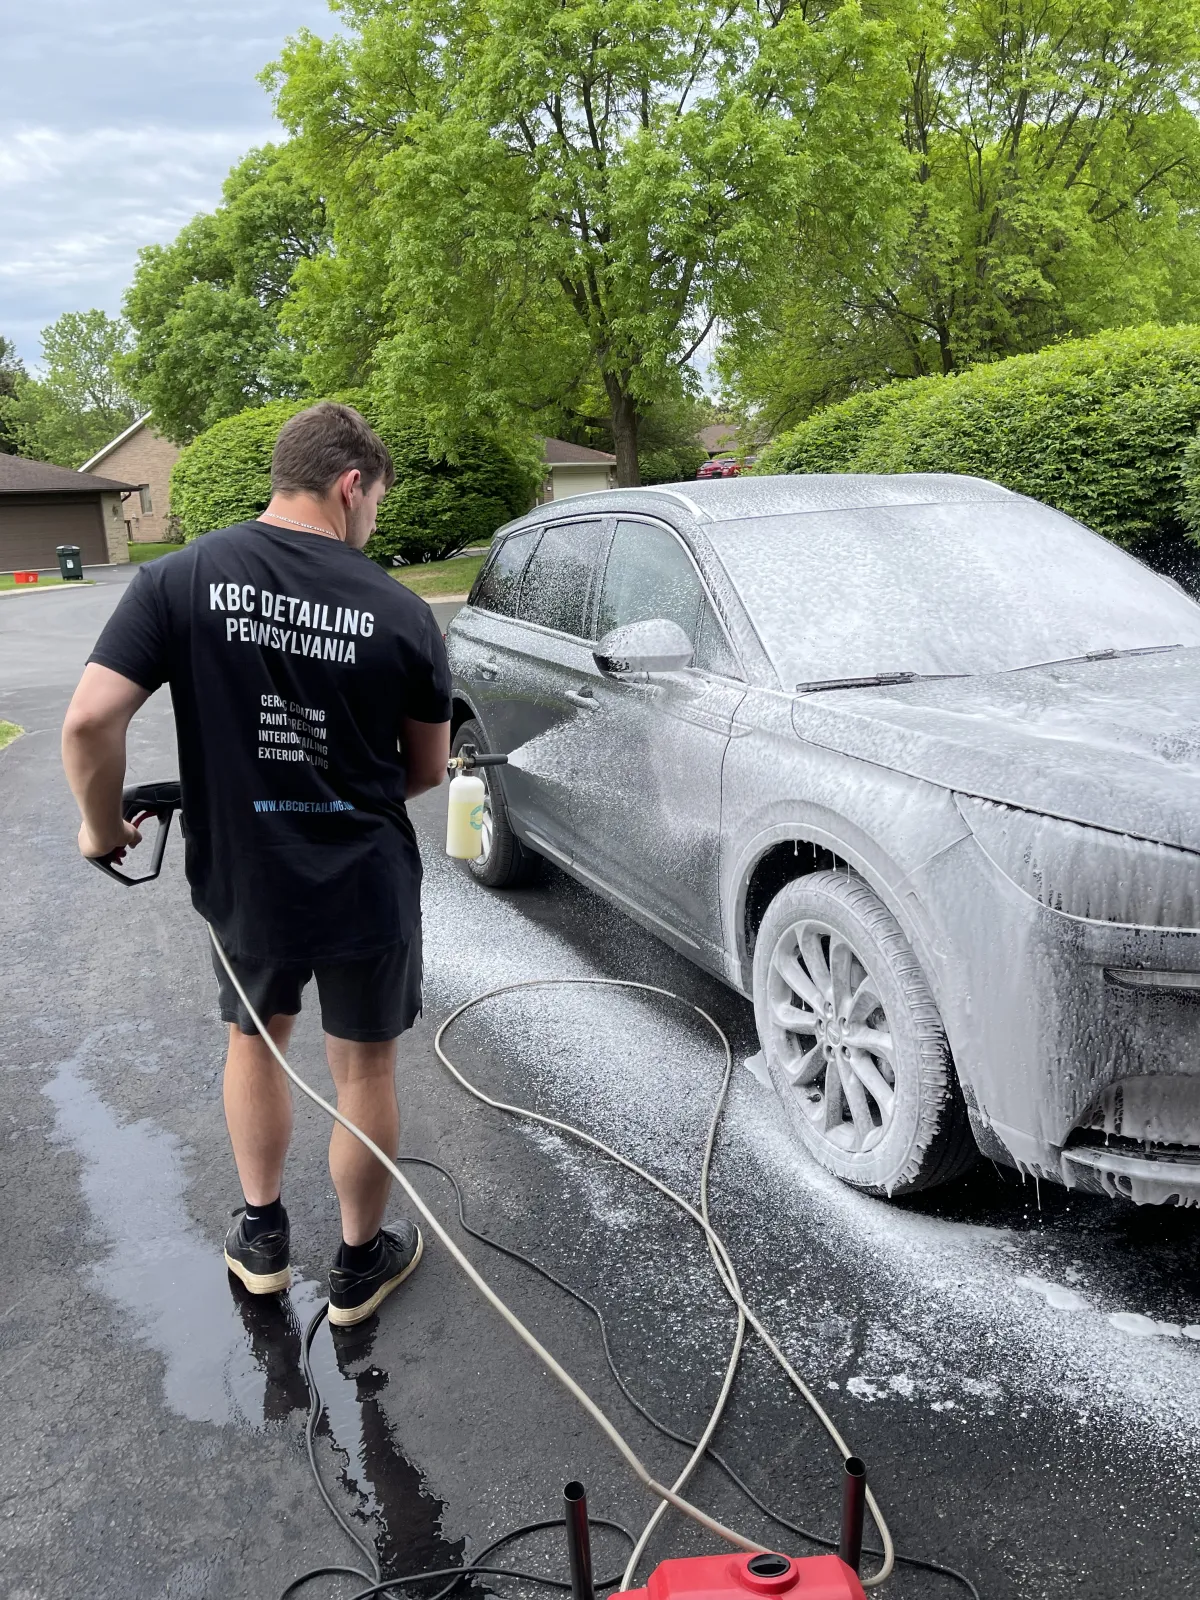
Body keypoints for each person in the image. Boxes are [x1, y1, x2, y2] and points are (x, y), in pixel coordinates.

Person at [62, 402, 451, 1327]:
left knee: (256, 1039)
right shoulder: (399, 609)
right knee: (363, 1070)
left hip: (248, 871)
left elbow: (87, 719)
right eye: (376, 504)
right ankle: (360, 1269)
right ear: (349, 484)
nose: (373, 525)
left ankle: (264, 1239)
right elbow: (427, 770)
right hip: (364, 875)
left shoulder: (184, 578)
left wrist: (96, 825)